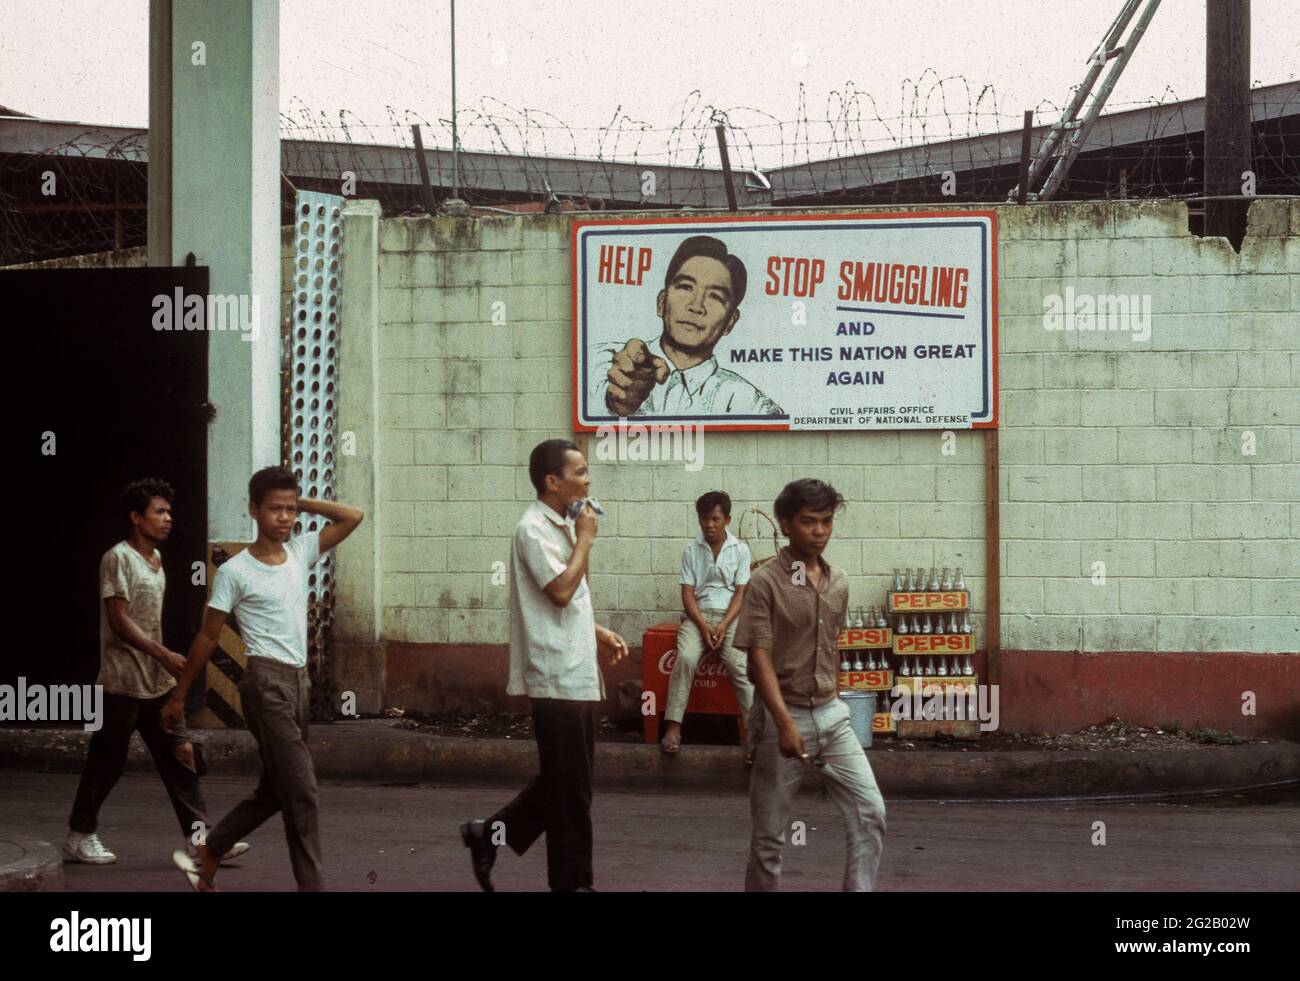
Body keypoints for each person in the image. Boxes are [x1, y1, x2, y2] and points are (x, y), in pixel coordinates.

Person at [162, 466, 363, 891]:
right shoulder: (237, 571)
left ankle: (211, 849)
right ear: (254, 510)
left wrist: (298, 499)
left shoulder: (302, 550)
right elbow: (208, 634)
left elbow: (353, 515)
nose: (285, 518)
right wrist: (179, 696)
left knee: (276, 790)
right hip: (264, 683)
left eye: (291, 510)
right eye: (275, 509)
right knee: (303, 791)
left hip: (299, 684)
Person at [460, 439, 629, 892]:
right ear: (552, 481)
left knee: (570, 779)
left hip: (575, 666)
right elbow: (558, 591)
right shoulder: (532, 529)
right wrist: (586, 541)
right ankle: (573, 884)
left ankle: (489, 834)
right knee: (571, 789)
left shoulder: (563, 525)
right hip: (554, 672)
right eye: (580, 471)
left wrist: (597, 631)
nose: (588, 479)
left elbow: (566, 600)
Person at [64, 478, 249, 866]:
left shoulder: (157, 559)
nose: (168, 519)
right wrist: (163, 653)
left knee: (181, 758)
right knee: (107, 761)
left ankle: (201, 842)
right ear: (136, 517)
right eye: (159, 512)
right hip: (123, 681)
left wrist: (161, 661)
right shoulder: (118, 558)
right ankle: (80, 836)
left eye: (169, 512)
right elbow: (118, 619)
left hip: (157, 683)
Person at [733, 478, 887, 891]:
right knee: (769, 838)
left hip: (832, 716)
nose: (819, 531)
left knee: (870, 812)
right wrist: (782, 722)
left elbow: (830, 646)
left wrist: (835, 704)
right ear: (785, 524)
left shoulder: (838, 582)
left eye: (826, 521)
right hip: (781, 718)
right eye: (808, 522)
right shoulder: (765, 582)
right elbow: (759, 657)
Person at [588, 235, 784, 419]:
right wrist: (613, 403)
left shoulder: (751, 405)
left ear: (730, 322)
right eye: (685, 287)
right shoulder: (597, 362)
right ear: (661, 302)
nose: (696, 306)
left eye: (715, 296)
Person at [660, 490, 755, 759]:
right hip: (697, 616)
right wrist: (703, 626)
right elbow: (687, 594)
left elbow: (740, 593)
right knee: (686, 658)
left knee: (739, 665)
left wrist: (723, 625)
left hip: (731, 617)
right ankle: (673, 727)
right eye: (704, 519)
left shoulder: (740, 550)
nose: (709, 525)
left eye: (715, 519)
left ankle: (753, 736)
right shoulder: (691, 549)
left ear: (727, 519)